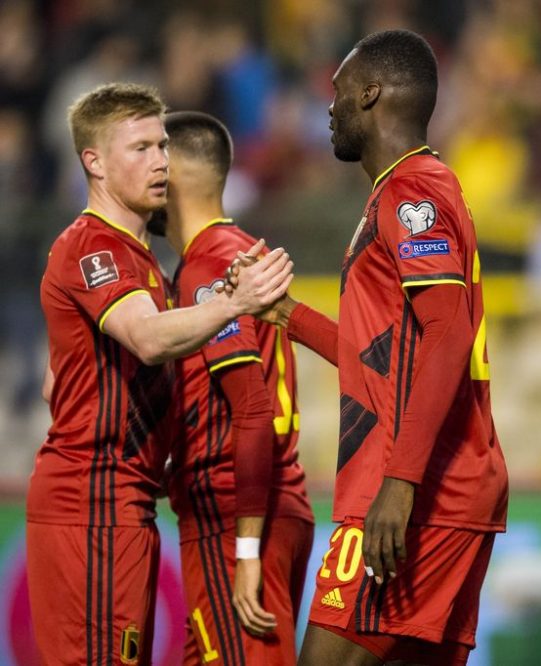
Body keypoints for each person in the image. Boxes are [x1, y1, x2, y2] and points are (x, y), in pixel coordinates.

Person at [26, 82, 293, 665]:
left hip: (120, 502)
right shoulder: (94, 248)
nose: (160, 163)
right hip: (93, 507)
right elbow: (147, 341)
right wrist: (232, 303)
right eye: (140, 148)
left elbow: (57, 382)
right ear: (93, 162)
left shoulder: (139, 255)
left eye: (162, 146)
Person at [293, 29, 508, 666]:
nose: (328, 109)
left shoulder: (412, 192)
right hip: (434, 487)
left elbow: (447, 332)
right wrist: (285, 314)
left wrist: (401, 483)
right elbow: (381, 359)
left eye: (336, 93)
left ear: (371, 92)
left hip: (416, 491)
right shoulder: (406, 190)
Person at [156, 110, 314, 665]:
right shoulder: (237, 253)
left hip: (236, 517)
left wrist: (245, 549)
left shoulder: (212, 269)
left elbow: (251, 407)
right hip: (264, 507)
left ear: (167, 174)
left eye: (151, 155)